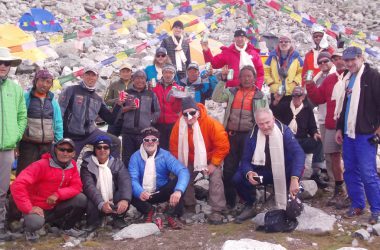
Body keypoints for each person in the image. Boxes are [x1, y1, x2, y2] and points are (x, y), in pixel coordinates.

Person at [233, 108, 305, 223]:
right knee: (238, 178)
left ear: (273, 119)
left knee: (295, 173)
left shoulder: (284, 131)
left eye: (268, 122)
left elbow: (299, 154)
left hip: (284, 172)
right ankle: (251, 203)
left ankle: (293, 190)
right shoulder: (252, 135)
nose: (265, 126)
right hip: (263, 174)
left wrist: (295, 177)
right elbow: (245, 160)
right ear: (256, 123)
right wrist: (249, 173)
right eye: (261, 124)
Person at [334, 47, 380, 225]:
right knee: (350, 170)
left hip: (365, 134)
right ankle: (358, 203)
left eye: (353, 59)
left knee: (368, 173)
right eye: (347, 60)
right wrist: (339, 128)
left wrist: (377, 130)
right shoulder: (348, 78)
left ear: (361, 58)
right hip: (348, 132)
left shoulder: (373, 76)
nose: (350, 63)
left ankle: (376, 209)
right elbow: (344, 106)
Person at [212, 65, 267, 210]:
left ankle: (249, 198)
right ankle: (230, 200)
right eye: (243, 76)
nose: (246, 79)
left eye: (249, 76)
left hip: (249, 137)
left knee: (248, 167)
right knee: (229, 169)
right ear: (239, 78)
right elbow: (216, 97)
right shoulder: (231, 92)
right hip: (231, 136)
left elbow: (266, 116)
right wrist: (222, 80)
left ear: (254, 78)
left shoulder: (260, 96)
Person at [10, 138, 87, 242]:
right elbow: (17, 185)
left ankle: (67, 227)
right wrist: (29, 208)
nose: (65, 153)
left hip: (55, 205)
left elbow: (77, 186)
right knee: (34, 223)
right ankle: (30, 229)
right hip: (38, 207)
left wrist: (58, 194)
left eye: (69, 150)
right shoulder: (41, 165)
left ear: (73, 153)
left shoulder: (72, 165)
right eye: (62, 149)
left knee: (81, 199)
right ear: (55, 149)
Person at [170, 97, 230, 225]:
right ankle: (189, 204)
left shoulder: (211, 123)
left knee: (216, 177)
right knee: (184, 176)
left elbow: (223, 145)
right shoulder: (178, 126)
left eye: (192, 113)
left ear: (198, 111)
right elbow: (174, 148)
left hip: (210, 159)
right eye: (185, 114)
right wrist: (181, 167)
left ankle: (217, 209)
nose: (189, 116)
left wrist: (214, 164)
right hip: (189, 160)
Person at [306, 48, 349, 208]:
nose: (338, 61)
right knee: (332, 157)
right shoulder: (329, 79)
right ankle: (339, 189)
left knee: (349, 158)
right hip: (330, 122)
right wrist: (309, 85)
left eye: (340, 58)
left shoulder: (353, 76)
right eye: (335, 58)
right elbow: (319, 98)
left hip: (348, 124)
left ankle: (352, 192)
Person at [129, 127, 190, 229]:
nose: (150, 142)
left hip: (160, 191)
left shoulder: (165, 155)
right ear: (142, 142)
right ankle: (148, 211)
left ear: (157, 142)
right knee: (127, 188)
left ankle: (171, 214)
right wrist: (139, 191)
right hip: (143, 195)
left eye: (153, 140)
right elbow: (132, 178)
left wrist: (178, 191)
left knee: (180, 182)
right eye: (146, 140)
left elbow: (183, 170)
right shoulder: (135, 157)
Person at [59, 67, 123, 159]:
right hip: (72, 135)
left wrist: (118, 105)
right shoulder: (71, 90)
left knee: (115, 142)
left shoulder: (97, 98)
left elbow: (111, 120)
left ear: (97, 77)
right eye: (88, 74)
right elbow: (59, 112)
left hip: (91, 134)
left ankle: (111, 170)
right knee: (68, 163)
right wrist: (59, 135)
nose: (90, 77)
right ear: (83, 76)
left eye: (93, 75)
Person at [271, 86, 326, 188]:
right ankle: (282, 176)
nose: (296, 98)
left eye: (298, 96)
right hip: (286, 140)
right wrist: (275, 102)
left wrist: (315, 133)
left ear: (303, 97)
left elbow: (312, 125)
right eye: (294, 96)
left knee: (319, 142)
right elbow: (272, 114)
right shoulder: (284, 106)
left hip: (301, 139)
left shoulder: (307, 108)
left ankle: (316, 173)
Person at [0, 47, 26, 241]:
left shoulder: (15, 88)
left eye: (6, 63)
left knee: (2, 191)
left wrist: (15, 136)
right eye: (0, 62)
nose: (3, 66)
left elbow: (21, 115)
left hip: (7, 148)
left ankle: (0, 228)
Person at [17, 69, 63, 175]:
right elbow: (19, 119)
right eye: (42, 80)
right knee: (24, 173)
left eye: (48, 82)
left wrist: (59, 143)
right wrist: (16, 144)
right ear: (36, 81)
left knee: (43, 174)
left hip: (47, 145)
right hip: (28, 144)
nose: (44, 84)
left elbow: (58, 122)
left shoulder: (53, 101)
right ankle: (19, 192)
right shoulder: (26, 98)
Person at [81, 135, 132, 231]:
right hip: (96, 200)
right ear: (94, 150)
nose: (102, 150)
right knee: (89, 198)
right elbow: (89, 186)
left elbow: (125, 182)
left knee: (123, 194)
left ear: (110, 149)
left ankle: (118, 218)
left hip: (112, 197)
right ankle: (93, 221)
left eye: (106, 147)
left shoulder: (117, 163)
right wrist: (101, 203)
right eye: (99, 147)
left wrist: (125, 200)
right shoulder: (86, 165)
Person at [119, 70, 160, 167]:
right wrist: (127, 108)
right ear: (133, 79)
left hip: (144, 133)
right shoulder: (126, 93)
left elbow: (157, 111)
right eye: (137, 78)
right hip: (128, 132)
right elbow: (118, 111)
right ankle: (127, 180)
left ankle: (142, 180)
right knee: (127, 158)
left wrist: (150, 121)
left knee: (143, 158)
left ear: (146, 80)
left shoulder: (150, 94)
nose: (140, 80)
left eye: (142, 78)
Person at [264, 34, 303, 106]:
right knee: (275, 114)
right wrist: (271, 83)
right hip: (276, 91)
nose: (283, 43)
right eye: (281, 42)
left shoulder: (296, 56)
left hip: (290, 92)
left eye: (286, 41)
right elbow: (265, 71)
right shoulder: (272, 56)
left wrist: (295, 82)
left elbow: (301, 71)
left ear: (290, 43)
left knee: (290, 115)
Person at [151, 64, 182, 150]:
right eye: (166, 72)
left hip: (172, 123)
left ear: (174, 74)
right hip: (158, 123)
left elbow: (179, 108)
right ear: (162, 73)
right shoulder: (154, 87)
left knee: (172, 147)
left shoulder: (179, 88)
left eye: (171, 73)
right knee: (158, 147)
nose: (168, 75)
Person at [103, 63, 133, 136]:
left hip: (131, 118)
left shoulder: (136, 84)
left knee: (129, 142)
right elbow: (106, 101)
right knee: (111, 139)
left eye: (127, 71)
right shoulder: (113, 84)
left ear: (131, 72)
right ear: (120, 73)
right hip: (116, 117)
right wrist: (117, 100)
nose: (125, 74)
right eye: (123, 71)